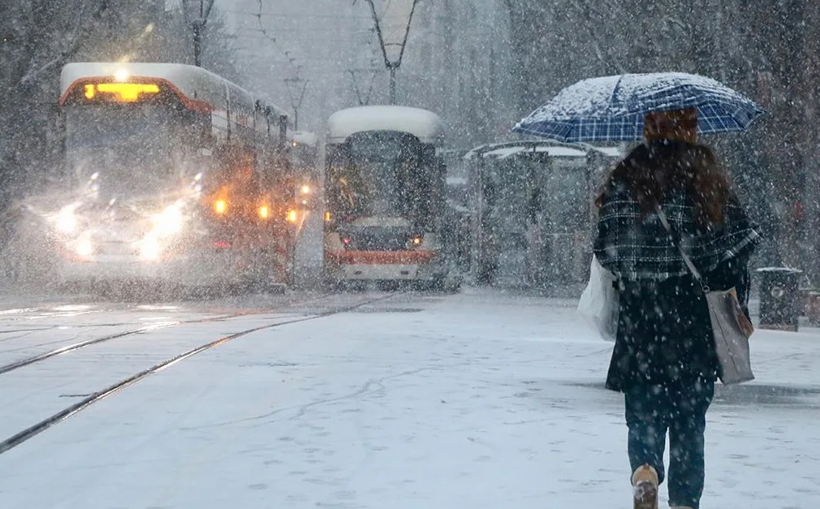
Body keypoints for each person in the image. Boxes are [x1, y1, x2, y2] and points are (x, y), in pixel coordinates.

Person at [593, 108, 762, 509]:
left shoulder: (625, 181)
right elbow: (736, 253)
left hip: (641, 321)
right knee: (689, 423)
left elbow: (606, 251)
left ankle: (645, 471)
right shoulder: (707, 183)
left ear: (648, 130)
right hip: (693, 323)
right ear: (691, 130)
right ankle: (685, 501)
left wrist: (641, 269)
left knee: (643, 411)